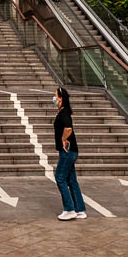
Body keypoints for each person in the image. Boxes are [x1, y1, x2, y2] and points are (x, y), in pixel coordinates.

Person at [53, 86, 86, 220]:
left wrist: (63, 139)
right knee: (71, 180)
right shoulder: (63, 111)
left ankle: (69, 209)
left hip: (67, 151)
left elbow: (68, 128)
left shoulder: (64, 113)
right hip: (72, 151)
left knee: (60, 177)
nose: (54, 98)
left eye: (55, 96)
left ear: (60, 98)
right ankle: (80, 209)